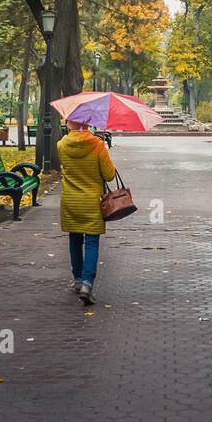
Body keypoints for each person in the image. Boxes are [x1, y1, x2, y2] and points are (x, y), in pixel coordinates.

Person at [56, 118, 117, 304]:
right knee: (91, 242)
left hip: (70, 200)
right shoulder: (98, 145)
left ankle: (77, 280)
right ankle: (87, 284)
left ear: (70, 125)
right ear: (87, 124)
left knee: (74, 240)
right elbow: (109, 175)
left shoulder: (61, 145)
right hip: (92, 202)